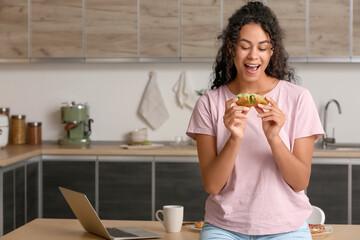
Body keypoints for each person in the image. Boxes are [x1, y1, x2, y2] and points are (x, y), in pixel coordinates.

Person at [186, 2, 324, 240]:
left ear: (272, 51)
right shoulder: (209, 103)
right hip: (224, 227)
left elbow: (300, 181)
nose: (253, 56)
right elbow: (212, 185)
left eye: (262, 47)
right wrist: (234, 138)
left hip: (286, 226)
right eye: (244, 46)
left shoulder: (298, 98)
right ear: (231, 47)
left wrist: (274, 139)